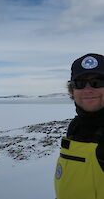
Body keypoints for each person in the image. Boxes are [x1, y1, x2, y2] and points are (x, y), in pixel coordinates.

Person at [54, 53, 104, 199]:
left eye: (98, 82)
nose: (88, 90)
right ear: (72, 91)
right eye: (80, 83)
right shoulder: (75, 127)